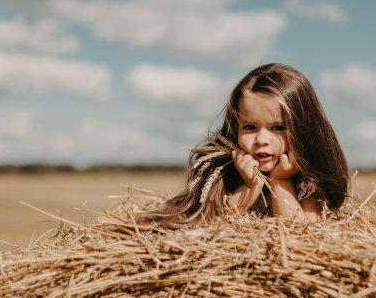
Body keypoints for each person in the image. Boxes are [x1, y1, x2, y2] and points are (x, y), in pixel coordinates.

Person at [142, 63, 349, 228]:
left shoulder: (308, 182)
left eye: (277, 127)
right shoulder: (227, 172)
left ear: (303, 130)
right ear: (235, 128)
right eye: (249, 127)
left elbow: (301, 236)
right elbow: (213, 226)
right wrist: (250, 186)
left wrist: (280, 180)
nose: (261, 139)